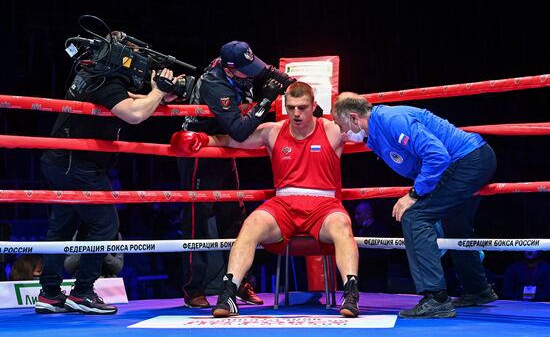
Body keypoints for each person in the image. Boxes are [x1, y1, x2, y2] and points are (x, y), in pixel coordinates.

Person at [171, 81, 360, 318]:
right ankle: (228, 293)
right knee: (251, 224)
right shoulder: (273, 131)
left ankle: (351, 293)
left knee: (342, 226)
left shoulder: (332, 129)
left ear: (314, 106)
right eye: (291, 107)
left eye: (302, 107)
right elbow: (231, 140)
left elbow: (366, 130)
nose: (296, 113)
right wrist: (202, 139)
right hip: (283, 204)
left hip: (324, 205)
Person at [36, 31, 177, 315]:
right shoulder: (106, 80)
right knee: (105, 224)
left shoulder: (94, 73)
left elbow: (132, 100)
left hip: (63, 161)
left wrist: (156, 93)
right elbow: (135, 114)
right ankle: (83, 293)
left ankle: (50, 293)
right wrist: (158, 92)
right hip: (77, 165)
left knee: (62, 227)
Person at [331, 92, 498, 318]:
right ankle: (478, 290)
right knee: (453, 223)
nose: (342, 132)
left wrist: (414, 193)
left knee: (415, 217)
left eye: (341, 126)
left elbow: (437, 155)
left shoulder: (392, 120)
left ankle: (436, 299)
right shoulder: (376, 132)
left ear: (353, 117)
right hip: (465, 162)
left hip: (467, 161)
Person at [175, 41, 293, 308]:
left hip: (224, 147)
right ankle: (193, 289)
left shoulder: (244, 63)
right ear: (231, 70)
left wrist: (296, 88)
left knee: (235, 217)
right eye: (245, 69)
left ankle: (237, 284)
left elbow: (272, 74)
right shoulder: (213, 84)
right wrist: (265, 101)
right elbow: (239, 130)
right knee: (198, 223)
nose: (252, 72)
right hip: (200, 150)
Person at [352, 201, 391, 292]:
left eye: (359, 213)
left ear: (368, 213)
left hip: (376, 278)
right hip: (360, 278)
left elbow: (384, 255)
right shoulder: (356, 230)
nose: (355, 217)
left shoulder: (380, 230)